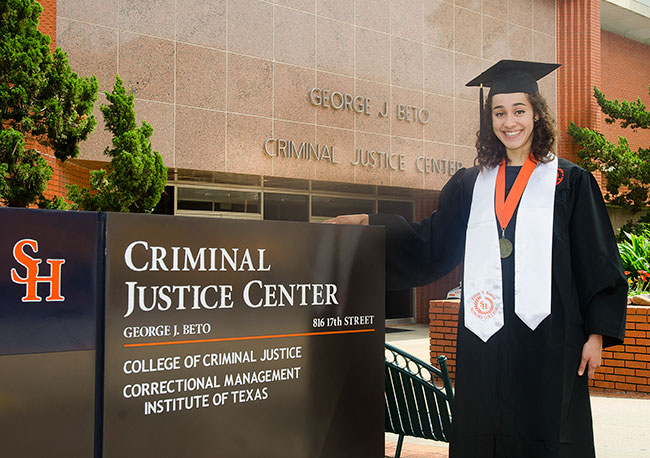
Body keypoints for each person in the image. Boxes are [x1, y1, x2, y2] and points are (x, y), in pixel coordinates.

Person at [325, 60, 627, 458]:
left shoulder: (569, 181)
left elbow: (598, 258)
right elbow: (431, 241)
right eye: (499, 113)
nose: (510, 122)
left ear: (536, 113)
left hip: (553, 340)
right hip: (487, 338)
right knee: (487, 429)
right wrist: (371, 224)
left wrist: (597, 334)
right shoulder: (471, 184)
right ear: (490, 121)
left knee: (550, 428)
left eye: (519, 110)